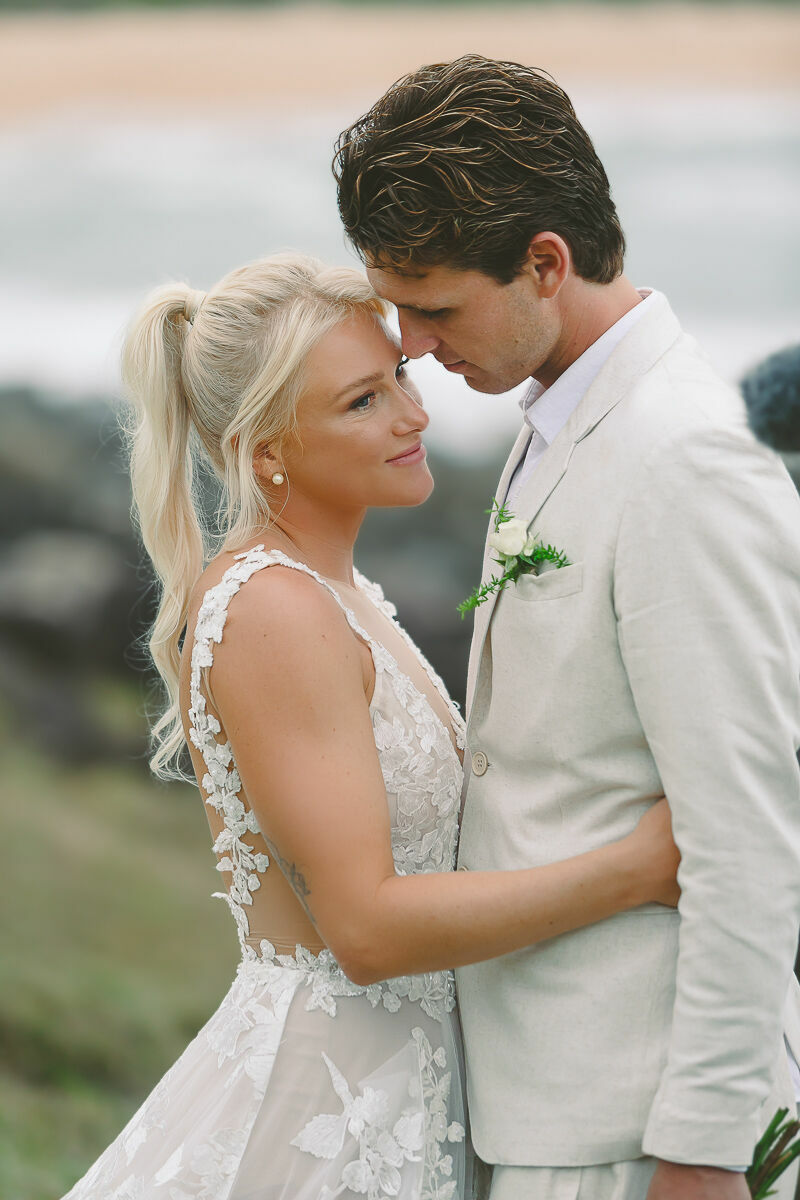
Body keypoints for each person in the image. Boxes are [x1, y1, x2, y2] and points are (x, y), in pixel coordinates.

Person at [60, 253, 680, 1200]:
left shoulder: (340, 595)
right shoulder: (275, 610)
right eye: (362, 401)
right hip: (331, 1119)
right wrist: (637, 868)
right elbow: (365, 929)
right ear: (266, 448)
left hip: (407, 1090)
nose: (414, 414)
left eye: (398, 376)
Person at [333, 54, 800, 1200]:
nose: (415, 346)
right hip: (542, 1105)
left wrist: (702, 1148)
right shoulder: (560, 418)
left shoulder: (683, 458)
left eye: (435, 307)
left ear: (545, 261)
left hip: (637, 1128)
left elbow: (747, 833)